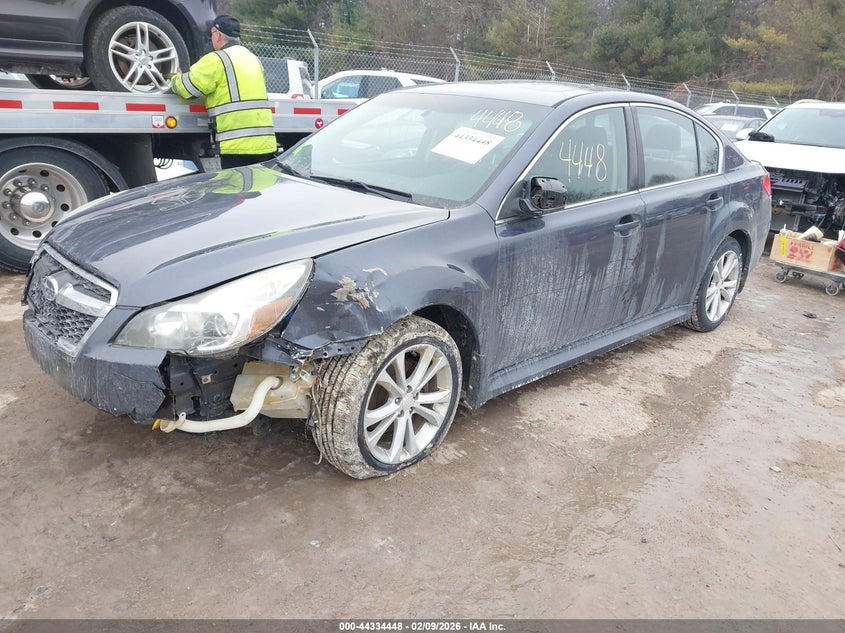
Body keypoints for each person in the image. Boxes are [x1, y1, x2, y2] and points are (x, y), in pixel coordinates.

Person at [170, 14, 277, 169]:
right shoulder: (253, 58)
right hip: (264, 143)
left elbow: (187, 88)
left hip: (237, 145)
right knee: (258, 183)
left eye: (212, 34)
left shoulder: (217, 59)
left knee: (236, 184)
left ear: (218, 35)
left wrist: (174, 79)